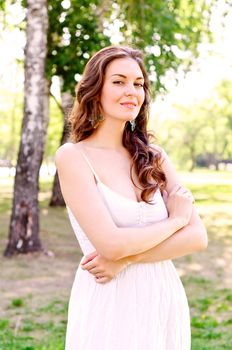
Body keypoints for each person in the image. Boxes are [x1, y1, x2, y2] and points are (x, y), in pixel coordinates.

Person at [55, 45, 208, 350]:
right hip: (108, 299)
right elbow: (110, 245)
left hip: (162, 297)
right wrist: (176, 219)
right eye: (119, 81)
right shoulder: (73, 157)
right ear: (95, 89)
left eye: (138, 84)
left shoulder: (154, 157)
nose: (131, 92)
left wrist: (126, 260)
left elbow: (198, 237)